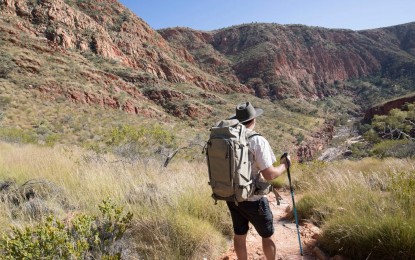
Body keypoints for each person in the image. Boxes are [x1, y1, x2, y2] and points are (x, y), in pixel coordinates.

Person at [226, 102, 290, 260]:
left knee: (239, 235)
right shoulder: (257, 141)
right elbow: (270, 175)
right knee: (267, 235)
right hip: (253, 200)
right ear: (253, 119)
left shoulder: (228, 138)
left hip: (232, 196)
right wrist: (284, 165)